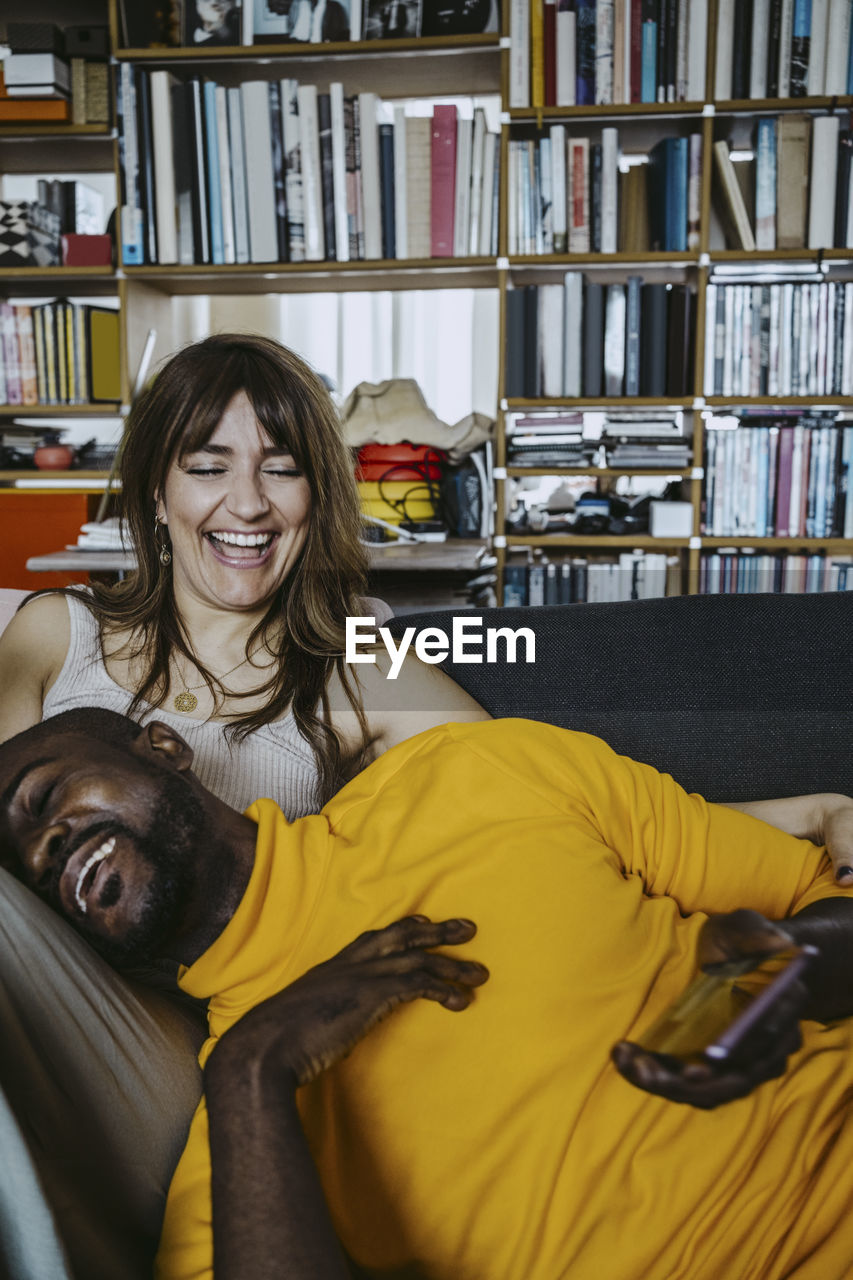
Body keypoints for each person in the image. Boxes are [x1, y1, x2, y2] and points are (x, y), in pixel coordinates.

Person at [3, 706, 853, 1280]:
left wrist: (794, 967)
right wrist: (253, 1070)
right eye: (26, 867)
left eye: (44, 798)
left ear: (159, 746)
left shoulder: (469, 773)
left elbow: (821, 890)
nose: (44, 848)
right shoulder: (240, 1151)